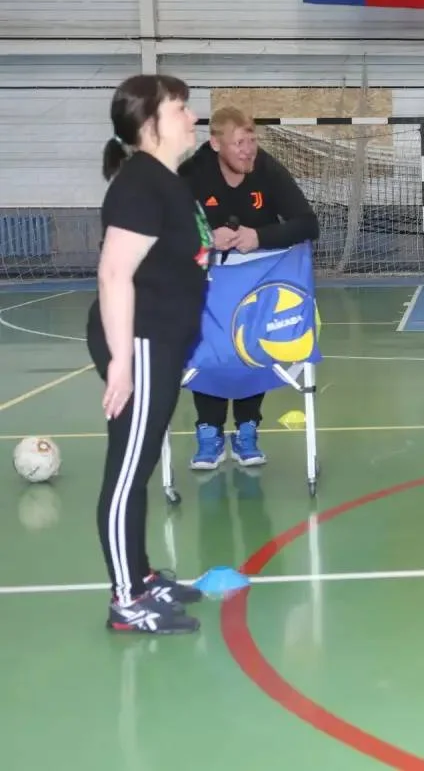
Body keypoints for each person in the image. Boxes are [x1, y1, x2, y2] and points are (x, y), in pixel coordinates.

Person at [90, 73, 213, 634]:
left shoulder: (167, 180)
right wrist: (123, 361)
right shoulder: (141, 183)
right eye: (180, 108)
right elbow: (114, 273)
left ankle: (140, 577)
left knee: (138, 468)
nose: (192, 117)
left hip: (159, 343)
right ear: (149, 124)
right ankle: (126, 602)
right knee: (127, 473)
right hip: (138, 342)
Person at [178, 106, 319, 470]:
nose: (248, 150)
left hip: (257, 281)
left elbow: (308, 224)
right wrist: (204, 236)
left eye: (252, 141)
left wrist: (259, 236)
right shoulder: (192, 174)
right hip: (206, 284)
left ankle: (247, 428)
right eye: (239, 143)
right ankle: (209, 431)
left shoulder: (267, 170)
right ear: (215, 144)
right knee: (209, 350)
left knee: (250, 345)